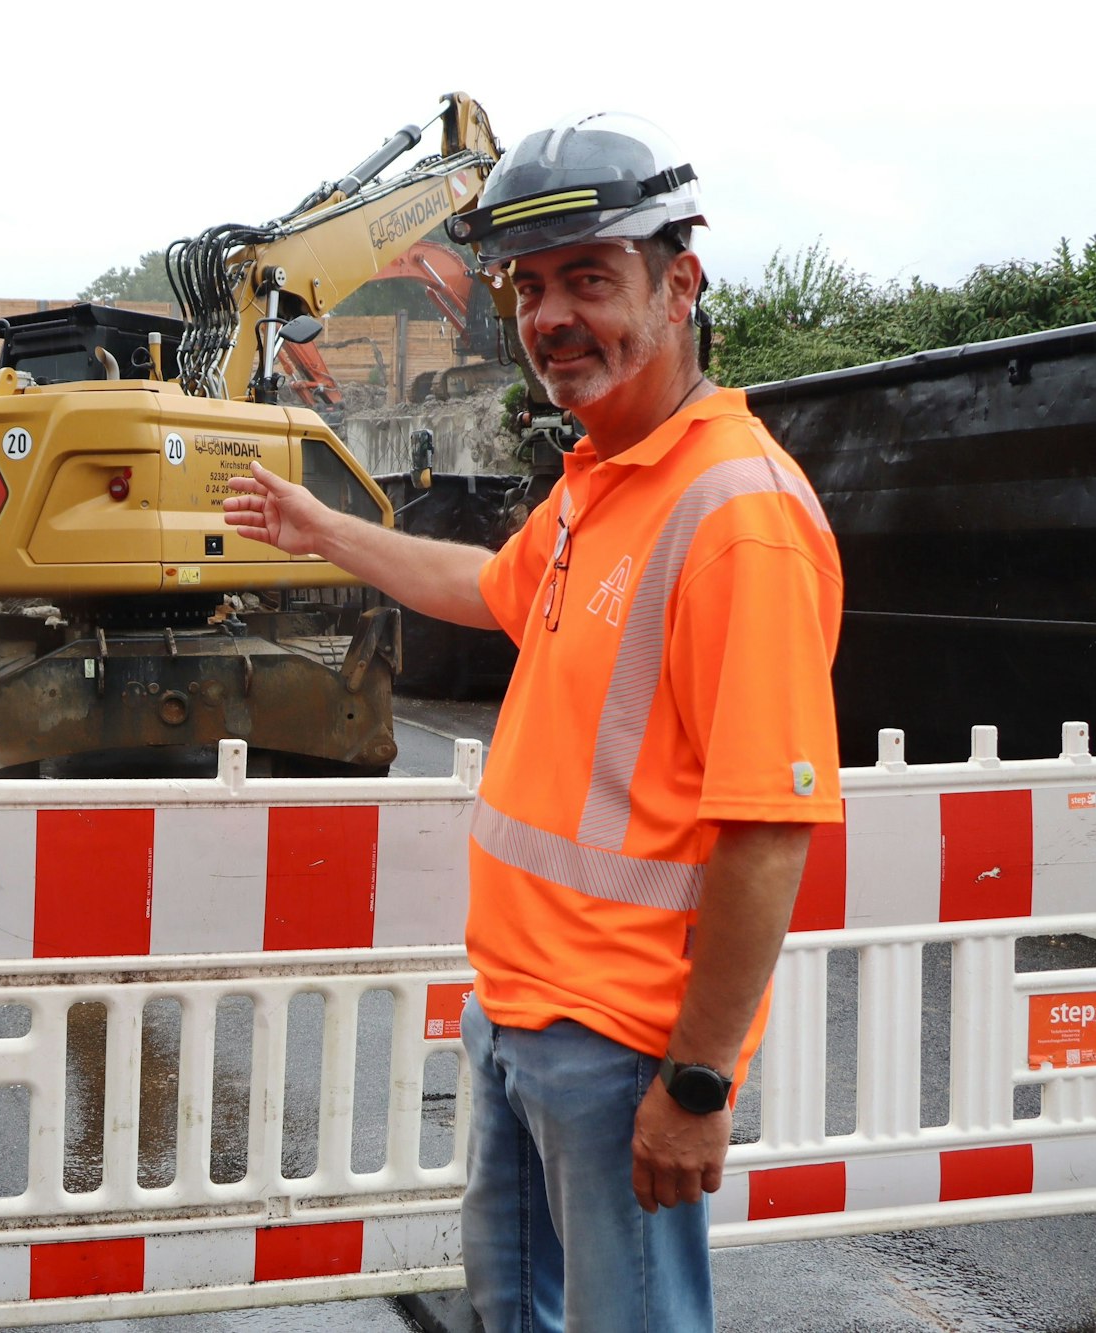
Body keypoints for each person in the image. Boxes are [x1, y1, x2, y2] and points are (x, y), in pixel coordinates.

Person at [224, 112, 842, 1331]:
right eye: (529, 289)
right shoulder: (596, 485)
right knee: (516, 1314)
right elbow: (486, 588)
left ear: (678, 285)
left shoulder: (734, 516)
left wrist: (698, 1080)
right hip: (515, 1012)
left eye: (588, 280)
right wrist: (322, 530)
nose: (551, 317)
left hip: (621, 1046)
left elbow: (768, 830)